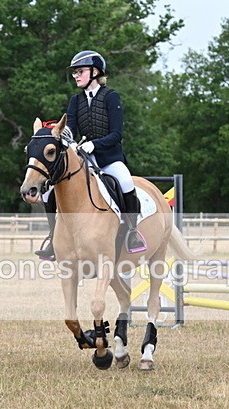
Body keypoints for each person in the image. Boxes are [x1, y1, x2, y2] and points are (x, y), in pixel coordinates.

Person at [35, 50, 147, 260]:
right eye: (75, 72)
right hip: (84, 160)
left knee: (125, 183)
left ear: (95, 72)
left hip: (109, 159)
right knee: (49, 191)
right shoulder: (75, 101)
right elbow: (70, 128)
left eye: (80, 71)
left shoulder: (111, 97)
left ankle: (132, 233)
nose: (76, 76)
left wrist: (94, 145)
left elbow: (116, 134)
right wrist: (61, 135)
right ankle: (53, 238)